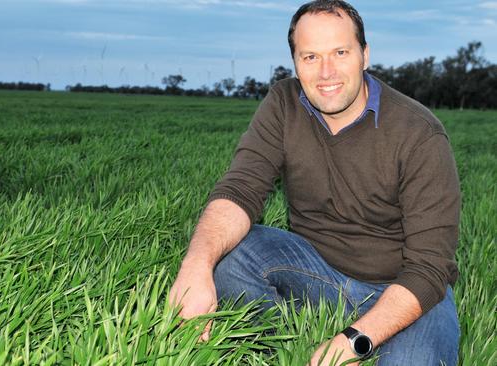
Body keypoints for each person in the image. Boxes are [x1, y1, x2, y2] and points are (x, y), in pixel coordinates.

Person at [167, 1, 461, 365]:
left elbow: (429, 268)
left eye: (340, 52)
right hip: (316, 272)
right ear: (295, 62)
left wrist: (355, 340)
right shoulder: (283, 104)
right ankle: (281, 349)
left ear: (364, 56)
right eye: (310, 57)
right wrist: (195, 266)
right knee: (229, 256)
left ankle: (358, 340)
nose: (326, 72)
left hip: (407, 287)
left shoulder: (419, 133)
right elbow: (241, 189)